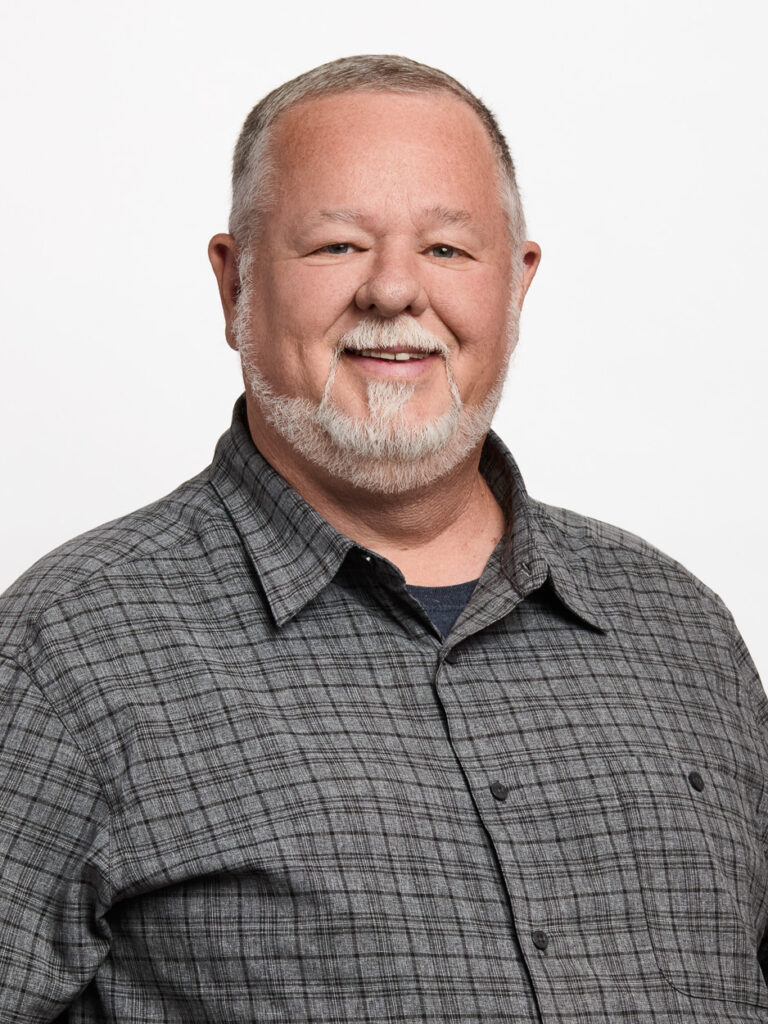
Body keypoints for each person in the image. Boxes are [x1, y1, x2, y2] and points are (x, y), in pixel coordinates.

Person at [0, 54, 766, 1024]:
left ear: (517, 283)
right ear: (233, 282)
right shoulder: (62, 656)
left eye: (448, 249)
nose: (395, 290)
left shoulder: (681, 633)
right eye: (335, 247)